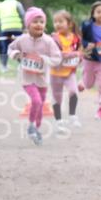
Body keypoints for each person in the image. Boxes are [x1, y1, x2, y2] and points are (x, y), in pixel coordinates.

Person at [7, 8, 61, 145]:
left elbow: (57, 58)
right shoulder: (22, 40)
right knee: (36, 101)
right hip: (27, 78)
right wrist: (16, 55)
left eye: (41, 22)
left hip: (42, 79)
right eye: (35, 21)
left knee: (40, 105)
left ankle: (36, 129)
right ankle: (31, 126)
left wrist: (43, 59)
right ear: (28, 24)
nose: (38, 24)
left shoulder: (48, 41)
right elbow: (10, 48)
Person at [49, 10, 83, 131]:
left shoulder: (76, 38)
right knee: (57, 97)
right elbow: (55, 54)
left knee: (74, 91)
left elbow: (80, 52)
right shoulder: (53, 38)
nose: (57, 24)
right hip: (55, 73)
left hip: (69, 72)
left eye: (60, 21)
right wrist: (69, 54)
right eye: (55, 22)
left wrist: (79, 56)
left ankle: (72, 115)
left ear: (69, 23)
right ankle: (59, 121)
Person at [0, 0, 26, 70]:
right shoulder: (17, 3)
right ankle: (22, 64)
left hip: (5, 29)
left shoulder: (0, 5)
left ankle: (4, 66)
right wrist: (26, 27)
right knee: (19, 46)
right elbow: (23, 15)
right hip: (16, 28)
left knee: (4, 47)